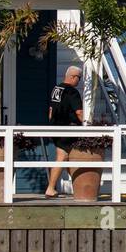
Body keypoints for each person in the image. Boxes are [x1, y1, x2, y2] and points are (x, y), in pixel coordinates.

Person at [45, 65, 85, 197]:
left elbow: (51, 110)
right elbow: (79, 112)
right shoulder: (71, 92)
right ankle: (50, 188)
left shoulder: (56, 89)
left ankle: (79, 186)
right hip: (67, 127)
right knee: (62, 157)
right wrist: (87, 125)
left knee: (68, 158)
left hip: (55, 127)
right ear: (73, 77)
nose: (79, 81)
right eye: (79, 78)